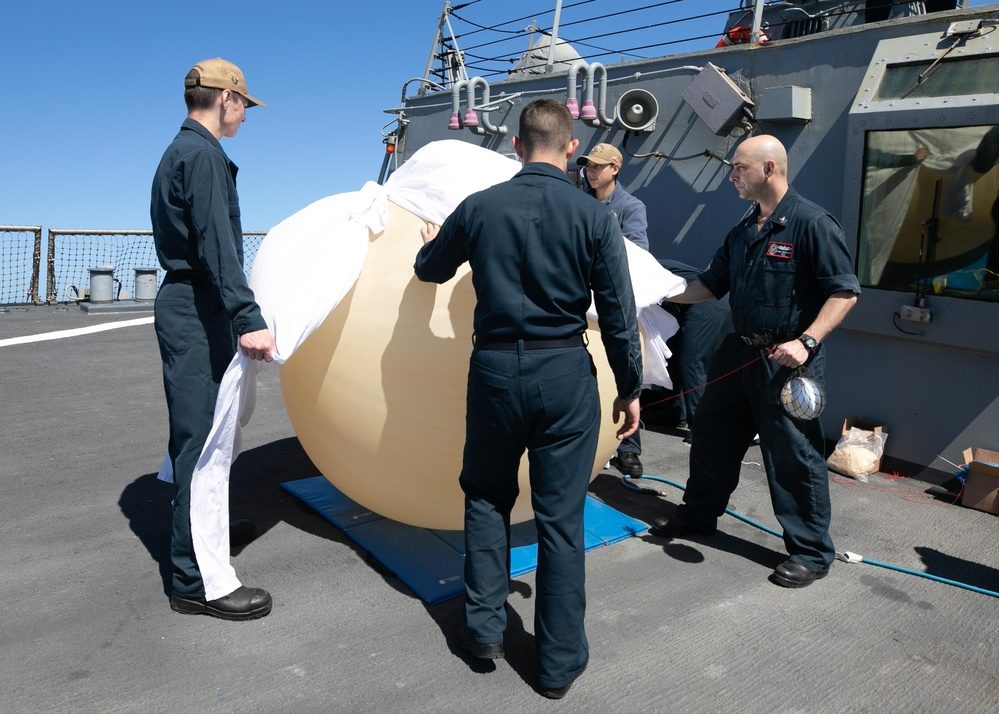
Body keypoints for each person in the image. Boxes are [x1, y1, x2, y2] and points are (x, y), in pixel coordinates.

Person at [414, 99, 642, 698]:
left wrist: (434, 239)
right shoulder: (596, 219)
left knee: (487, 497)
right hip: (565, 374)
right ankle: (558, 663)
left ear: (516, 146)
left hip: (493, 373)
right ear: (571, 149)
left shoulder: (480, 208)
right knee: (560, 519)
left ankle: (484, 629)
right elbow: (618, 316)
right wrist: (631, 389)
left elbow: (429, 270)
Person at [650, 135, 860, 589]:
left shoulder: (811, 224)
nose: (731, 175)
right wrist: (654, 291)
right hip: (740, 351)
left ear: (769, 169)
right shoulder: (743, 230)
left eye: (739, 168)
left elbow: (844, 292)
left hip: (788, 359)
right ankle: (699, 515)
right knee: (711, 435)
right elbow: (708, 285)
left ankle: (810, 551)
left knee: (793, 455)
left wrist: (806, 340)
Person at [151, 58, 276, 619]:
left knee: (216, 426)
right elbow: (218, 247)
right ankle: (197, 581)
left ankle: (208, 532)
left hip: (195, 304)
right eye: (244, 106)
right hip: (198, 308)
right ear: (225, 97)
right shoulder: (201, 156)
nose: (245, 117)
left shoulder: (184, 151)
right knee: (202, 444)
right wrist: (247, 317)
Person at [577, 143, 649, 477]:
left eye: (599, 167)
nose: (592, 172)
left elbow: (635, 253)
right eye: (589, 166)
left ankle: (629, 448)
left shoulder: (631, 207)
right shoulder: (578, 201)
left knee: (622, 367)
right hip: (582, 298)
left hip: (611, 298)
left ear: (615, 168)